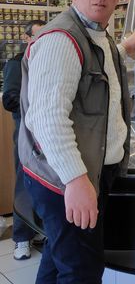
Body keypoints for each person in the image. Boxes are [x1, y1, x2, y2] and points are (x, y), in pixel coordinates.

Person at [18, 0, 135, 283]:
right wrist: (76, 181)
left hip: (83, 172)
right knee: (82, 271)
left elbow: (90, 72)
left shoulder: (96, 36)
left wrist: (125, 47)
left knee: (60, 256)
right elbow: (47, 118)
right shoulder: (61, 38)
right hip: (65, 177)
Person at [2, 19, 46, 260]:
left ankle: (38, 230)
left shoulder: (51, 61)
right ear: (27, 38)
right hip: (26, 133)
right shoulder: (17, 63)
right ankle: (21, 239)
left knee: (45, 184)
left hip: (49, 132)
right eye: (37, 36)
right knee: (24, 184)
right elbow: (9, 100)